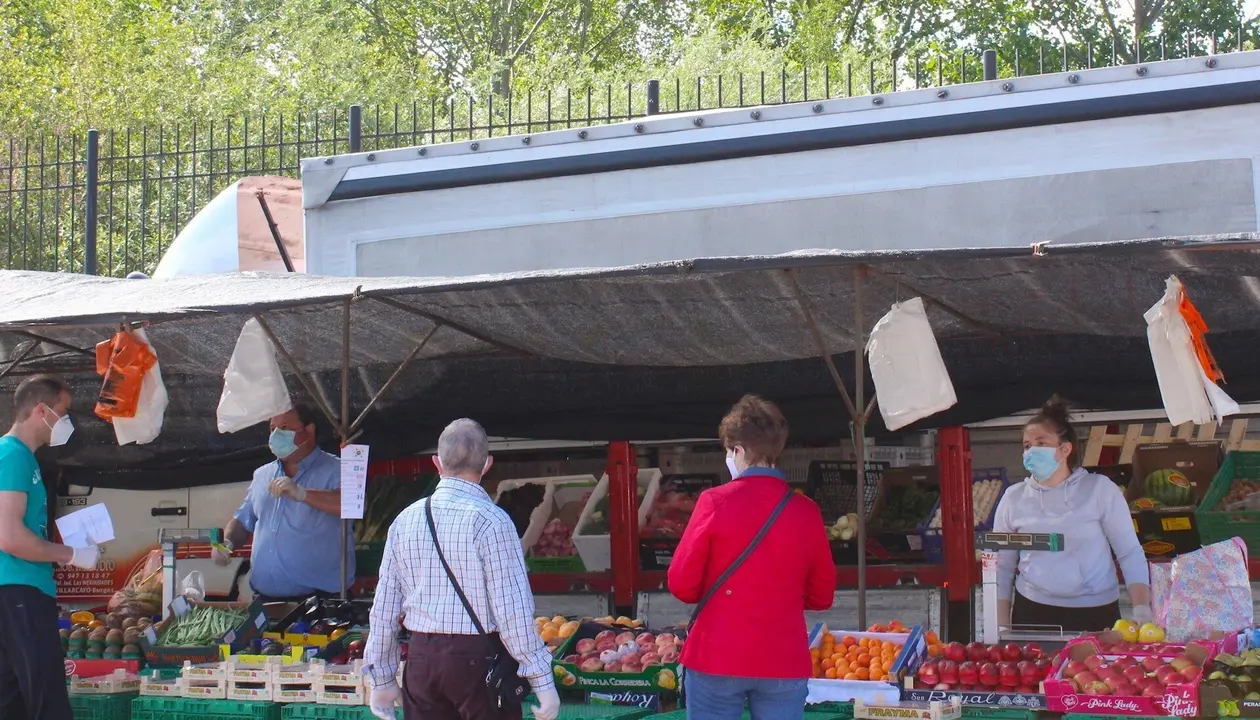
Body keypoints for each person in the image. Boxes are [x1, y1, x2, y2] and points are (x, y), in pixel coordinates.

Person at [364, 418, 560, 720]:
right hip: (477, 660)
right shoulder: (492, 521)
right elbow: (513, 611)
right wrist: (541, 680)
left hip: (421, 659)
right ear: (487, 464)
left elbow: (384, 608)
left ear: (437, 463)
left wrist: (382, 679)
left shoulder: (405, 520)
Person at [668, 395, 836, 720]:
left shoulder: (715, 502)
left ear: (739, 451)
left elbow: (681, 584)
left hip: (717, 654)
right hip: (783, 658)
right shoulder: (806, 511)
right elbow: (822, 595)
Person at [993, 396, 1151, 632]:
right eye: (1026, 446)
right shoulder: (1012, 498)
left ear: (1065, 449)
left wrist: (1142, 609)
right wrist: (1001, 627)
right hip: (1033, 609)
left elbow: (1129, 552)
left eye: (1041, 443)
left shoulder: (1100, 489)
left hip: (1097, 611)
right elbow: (1002, 567)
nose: (1031, 451)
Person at [0, 375, 101, 720]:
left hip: (16, 590)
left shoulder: (20, 458)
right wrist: (71, 555)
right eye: (64, 412)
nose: (67, 421)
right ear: (42, 410)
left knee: (11, 699)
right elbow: (9, 536)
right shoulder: (12, 456)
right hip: (19, 589)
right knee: (47, 698)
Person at [212, 404, 354, 602]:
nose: (276, 435)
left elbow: (354, 504)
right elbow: (243, 520)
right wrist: (227, 543)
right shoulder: (262, 475)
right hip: (265, 599)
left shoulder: (339, 468)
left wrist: (303, 493)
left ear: (309, 430)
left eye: (285, 428)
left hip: (320, 601)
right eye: (273, 429)